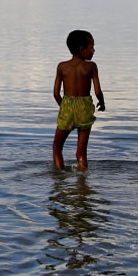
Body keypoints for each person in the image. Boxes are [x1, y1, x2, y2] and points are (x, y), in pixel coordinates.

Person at [53, 29, 105, 171]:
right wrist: (102, 102)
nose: (94, 50)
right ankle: (82, 184)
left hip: (67, 107)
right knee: (81, 153)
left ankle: (59, 177)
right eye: (91, 47)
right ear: (82, 49)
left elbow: (56, 93)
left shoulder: (62, 67)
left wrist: (64, 108)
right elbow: (98, 91)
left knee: (57, 147)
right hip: (85, 108)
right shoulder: (91, 67)